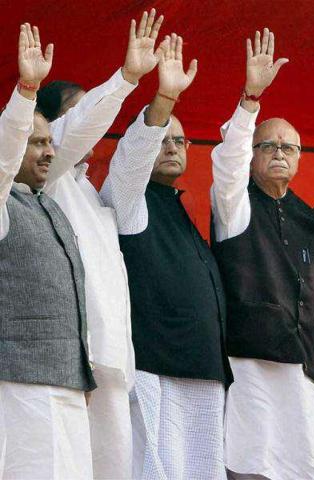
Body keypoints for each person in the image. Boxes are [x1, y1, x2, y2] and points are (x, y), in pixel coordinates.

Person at [35, 10, 164, 478]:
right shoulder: (45, 182)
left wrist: (163, 97)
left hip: (112, 359)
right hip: (68, 360)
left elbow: (132, 160)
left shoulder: (90, 190)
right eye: (76, 110)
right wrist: (127, 78)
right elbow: (73, 133)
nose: (89, 120)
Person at [101, 33, 230, 480]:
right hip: (155, 370)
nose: (171, 147)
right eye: (162, 139)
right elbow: (130, 161)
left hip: (203, 372)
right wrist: (164, 98)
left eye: (179, 141)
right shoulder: (129, 202)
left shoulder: (179, 209)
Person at [211, 28, 314, 479]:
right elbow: (227, 163)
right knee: (254, 469)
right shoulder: (234, 203)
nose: (280, 152)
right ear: (254, 154)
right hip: (251, 366)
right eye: (269, 145)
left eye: (289, 146)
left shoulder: (312, 223)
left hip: (304, 373)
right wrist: (250, 100)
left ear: (300, 158)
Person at [0, 24, 96, 478]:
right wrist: (26, 91)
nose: (47, 153)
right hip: (18, 382)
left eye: (49, 143)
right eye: (36, 143)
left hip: (69, 383)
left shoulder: (50, 207)